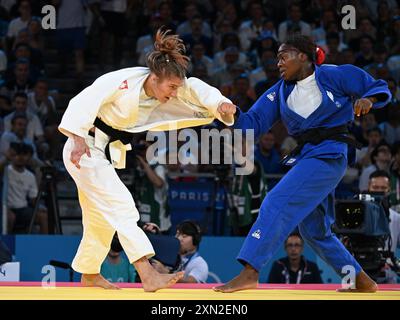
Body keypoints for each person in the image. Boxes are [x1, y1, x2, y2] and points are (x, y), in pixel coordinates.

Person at [58, 28, 235, 291]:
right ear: (154, 77)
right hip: (83, 146)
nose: (174, 93)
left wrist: (220, 103)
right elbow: (84, 100)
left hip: (102, 150)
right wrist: (78, 137)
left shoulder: (170, 85)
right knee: (123, 206)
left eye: (177, 87)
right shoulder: (122, 81)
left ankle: (89, 272)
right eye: (171, 87)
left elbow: (195, 89)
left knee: (100, 218)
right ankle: (147, 273)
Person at [214, 34, 391, 293]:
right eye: (277, 58)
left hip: (330, 154)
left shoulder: (333, 75)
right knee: (314, 231)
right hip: (308, 157)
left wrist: (369, 100)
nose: (278, 63)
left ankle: (251, 270)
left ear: (304, 56)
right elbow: (252, 123)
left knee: (275, 201)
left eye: (283, 57)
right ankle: (360, 280)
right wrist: (231, 114)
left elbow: (375, 85)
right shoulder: (279, 92)